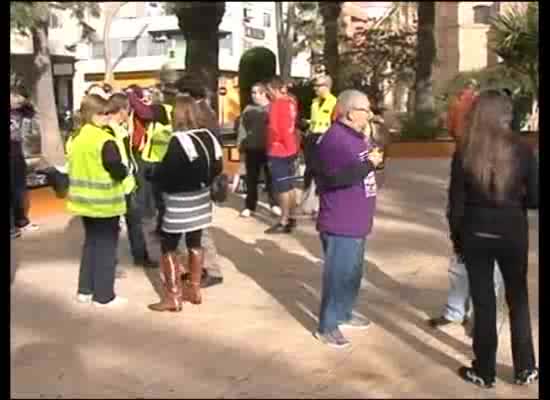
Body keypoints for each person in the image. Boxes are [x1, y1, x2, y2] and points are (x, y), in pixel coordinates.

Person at [449, 90, 538, 387]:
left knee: (484, 303)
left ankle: (484, 372)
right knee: (518, 300)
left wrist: (457, 240)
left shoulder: (465, 150)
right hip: (512, 232)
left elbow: (455, 205)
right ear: (507, 114)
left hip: (475, 233)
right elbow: (536, 198)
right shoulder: (524, 150)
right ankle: (526, 367)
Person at [314, 90, 383, 348]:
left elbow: (364, 169)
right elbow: (332, 179)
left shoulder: (356, 137)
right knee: (338, 275)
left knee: (352, 274)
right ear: (351, 112)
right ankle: (327, 326)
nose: (370, 114)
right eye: (366, 109)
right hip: (340, 221)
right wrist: (368, 166)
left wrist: (374, 161)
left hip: (357, 220)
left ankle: (344, 313)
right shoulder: (335, 139)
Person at [148, 95, 223, 312]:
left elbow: (167, 172)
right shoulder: (208, 136)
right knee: (195, 242)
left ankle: (173, 296)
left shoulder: (178, 141)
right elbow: (218, 167)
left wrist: (154, 174)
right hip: (202, 199)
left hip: (179, 200)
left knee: (168, 245)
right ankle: (195, 289)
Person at [67, 94, 128, 307]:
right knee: (105, 248)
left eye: (108, 113)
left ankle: (85, 290)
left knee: (91, 245)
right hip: (105, 203)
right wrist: (125, 170)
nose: (106, 117)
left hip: (84, 203)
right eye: (102, 113)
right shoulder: (104, 140)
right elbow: (117, 169)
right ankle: (103, 296)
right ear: (92, 115)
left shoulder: (77, 137)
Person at [174, 74, 225, 289]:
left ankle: (211, 269)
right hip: (201, 176)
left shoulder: (201, 114)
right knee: (195, 228)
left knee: (199, 228)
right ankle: (200, 267)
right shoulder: (205, 110)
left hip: (199, 178)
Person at [106, 93, 157, 269]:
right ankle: (109, 262)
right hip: (115, 184)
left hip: (127, 183)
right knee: (113, 227)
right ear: (122, 110)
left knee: (134, 221)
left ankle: (140, 256)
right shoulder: (109, 130)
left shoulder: (119, 129)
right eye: (127, 111)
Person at [237, 83, 279, 218]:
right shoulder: (248, 109)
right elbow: (242, 128)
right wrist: (240, 144)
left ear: (264, 93)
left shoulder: (273, 108)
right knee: (251, 179)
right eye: (252, 93)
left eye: (256, 93)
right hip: (252, 148)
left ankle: (274, 204)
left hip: (269, 149)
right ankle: (250, 206)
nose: (253, 95)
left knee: (271, 178)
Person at [264, 77, 300, 234]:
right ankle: (291, 216)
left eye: (269, 90)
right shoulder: (291, 102)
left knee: (282, 188)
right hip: (291, 147)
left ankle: (284, 220)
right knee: (290, 185)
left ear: (274, 89)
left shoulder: (277, 105)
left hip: (279, 150)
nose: (268, 94)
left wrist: (274, 143)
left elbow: (277, 129)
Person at [300, 75, 338, 217]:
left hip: (325, 139)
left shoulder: (335, 102)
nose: (314, 89)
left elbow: (335, 123)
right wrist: (308, 123)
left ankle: (318, 206)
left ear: (326, 87)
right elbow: (317, 120)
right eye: (314, 86)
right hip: (312, 138)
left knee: (322, 172)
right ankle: (305, 202)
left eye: (318, 86)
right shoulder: (314, 102)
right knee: (309, 171)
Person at [10, 86, 39, 238]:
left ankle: (21, 221)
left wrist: (24, 101)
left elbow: (31, 112)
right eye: (16, 97)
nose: (18, 101)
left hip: (16, 153)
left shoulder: (21, 111)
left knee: (19, 189)